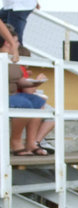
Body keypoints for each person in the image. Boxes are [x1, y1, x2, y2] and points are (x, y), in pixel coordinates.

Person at [2, 24, 51, 155]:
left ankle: (31, 143)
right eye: (16, 41)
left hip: (11, 97)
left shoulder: (13, 60)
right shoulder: (3, 59)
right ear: (7, 43)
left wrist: (36, 82)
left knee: (37, 101)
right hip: (4, 97)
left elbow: (20, 81)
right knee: (25, 104)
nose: (17, 45)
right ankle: (16, 142)